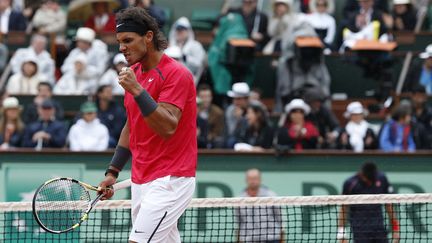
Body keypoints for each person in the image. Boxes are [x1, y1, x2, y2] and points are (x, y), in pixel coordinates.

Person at [97, 7, 196, 243]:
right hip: (141, 180)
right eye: (120, 42)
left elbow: (167, 126)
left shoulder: (176, 74)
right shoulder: (134, 74)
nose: (122, 48)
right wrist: (113, 171)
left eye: (128, 40)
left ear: (148, 37)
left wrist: (137, 90)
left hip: (170, 180)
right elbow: (132, 125)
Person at [337, 162, 400, 243]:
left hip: (378, 228)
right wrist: (341, 234)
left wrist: (396, 229)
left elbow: (389, 205)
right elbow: (343, 209)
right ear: (362, 174)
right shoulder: (350, 183)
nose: (370, 182)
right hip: (360, 230)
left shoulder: (382, 178)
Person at [236, 168, 282, 243]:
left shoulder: (271, 195)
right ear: (246, 180)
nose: (253, 181)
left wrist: (281, 232)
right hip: (248, 239)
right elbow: (239, 220)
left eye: (255, 178)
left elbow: (279, 216)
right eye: (250, 178)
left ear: (260, 179)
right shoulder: (239, 199)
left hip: (271, 237)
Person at [168, 17, 206, 85]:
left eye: (182, 30)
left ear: (188, 31)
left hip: (191, 80)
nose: (180, 32)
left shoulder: (196, 46)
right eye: (178, 30)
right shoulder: (169, 47)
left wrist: (185, 57)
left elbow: (199, 64)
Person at [196, 84, 224, 149]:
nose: (205, 99)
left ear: (211, 97)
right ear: (197, 97)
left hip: (211, 143)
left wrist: (207, 136)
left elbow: (218, 132)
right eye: (202, 97)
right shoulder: (193, 111)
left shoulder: (218, 112)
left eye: (207, 96)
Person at [225, 82, 251, 148]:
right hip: (236, 142)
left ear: (246, 99)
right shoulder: (230, 110)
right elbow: (231, 133)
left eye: (238, 99)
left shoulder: (256, 107)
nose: (235, 102)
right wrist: (239, 120)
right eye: (234, 99)